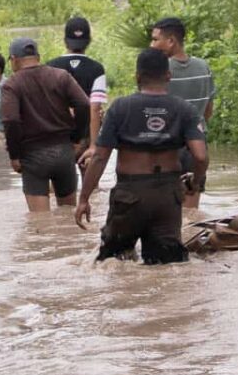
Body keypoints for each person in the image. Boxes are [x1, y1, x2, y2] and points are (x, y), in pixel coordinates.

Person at [75, 48, 208, 264]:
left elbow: (99, 158)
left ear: (137, 77)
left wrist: (84, 198)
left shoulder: (120, 108)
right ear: (168, 76)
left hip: (130, 195)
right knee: (166, 266)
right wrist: (194, 181)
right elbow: (201, 157)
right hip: (167, 197)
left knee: (114, 263)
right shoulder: (184, 109)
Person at [1, 37, 90, 212]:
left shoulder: (12, 84)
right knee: (68, 216)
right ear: (38, 56)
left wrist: (14, 155)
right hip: (64, 153)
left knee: (40, 221)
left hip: (33, 157)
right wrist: (77, 138)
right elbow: (84, 104)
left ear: (13, 59)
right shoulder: (61, 76)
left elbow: (11, 120)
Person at [149, 17, 216, 209]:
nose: (151, 44)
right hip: (198, 146)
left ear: (171, 41)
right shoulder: (204, 67)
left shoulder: (159, 71)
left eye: (155, 39)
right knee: (191, 214)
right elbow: (208, 110)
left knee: (164, 214)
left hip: (167, 147)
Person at [47, 17, 107, 162]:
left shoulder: (50, 66)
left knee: (59, 182)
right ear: (89, 41)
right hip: (85, 136)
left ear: (65, 40)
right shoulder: (96, 69)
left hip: (58, 138)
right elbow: (95, 108)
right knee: (89, 183)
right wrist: (93, 145)